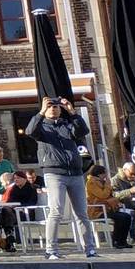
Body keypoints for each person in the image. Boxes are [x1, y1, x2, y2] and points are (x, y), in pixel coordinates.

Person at [26, 96, 97, 259]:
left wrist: (72, 112)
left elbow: (82, 131)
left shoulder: (67, 125)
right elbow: (30, 131)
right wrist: (41, 112)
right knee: (56, 211)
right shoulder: (42, 127)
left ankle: (90, 249)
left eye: (57, 106)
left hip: (75, 173)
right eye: (51, 106)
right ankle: (51, 249)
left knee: (81, 213)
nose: (54, 108)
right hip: (54, 173)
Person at [86, 164, 134, 250]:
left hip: (107, 209)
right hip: (97, 210)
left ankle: (122, 241)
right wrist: (108, 185)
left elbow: (109, 195)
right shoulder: (91, 182)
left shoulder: (102, 182)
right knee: (121, 218)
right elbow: (103, 195)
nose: (106, 175)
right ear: (99, 174)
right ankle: (116, 241)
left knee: (127, 216)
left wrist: (115, 201)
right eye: (105, 173)